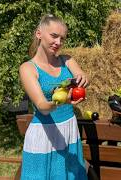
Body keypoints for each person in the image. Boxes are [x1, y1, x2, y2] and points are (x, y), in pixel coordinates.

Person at [19, 14, 89, 179]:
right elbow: (42, 106)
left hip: (69, 130)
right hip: (44, 135)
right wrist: (61, 101)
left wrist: (83, 78)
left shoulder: (67, 60)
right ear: (39, 34)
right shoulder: (28, 68)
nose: (58, 42)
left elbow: (80, 75)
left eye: (62, 38)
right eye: (54, 36)